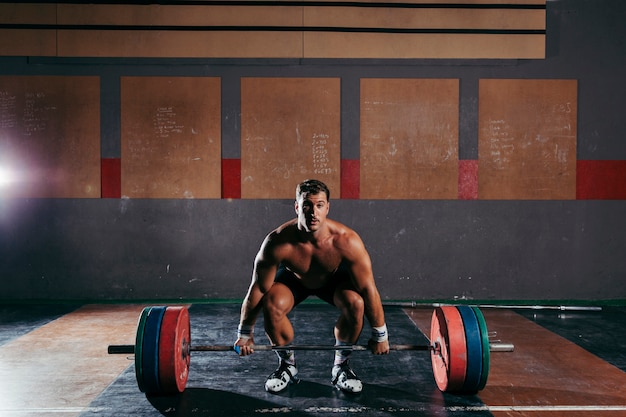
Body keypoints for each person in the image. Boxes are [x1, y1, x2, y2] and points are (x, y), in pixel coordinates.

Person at [234, 179, 389, 394]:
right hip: (294, 280)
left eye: (319, 205)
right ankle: (287, 367)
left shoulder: (347, 240)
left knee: (356, 303)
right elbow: (258, 288)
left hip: (332, 281)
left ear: (327, 207)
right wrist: (245, 333)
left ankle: (341, 367)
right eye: (307, 205)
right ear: (297, 207)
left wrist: (380, 335)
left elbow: (368, 288)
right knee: (271, 302)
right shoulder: (278, 241)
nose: (313, 212)